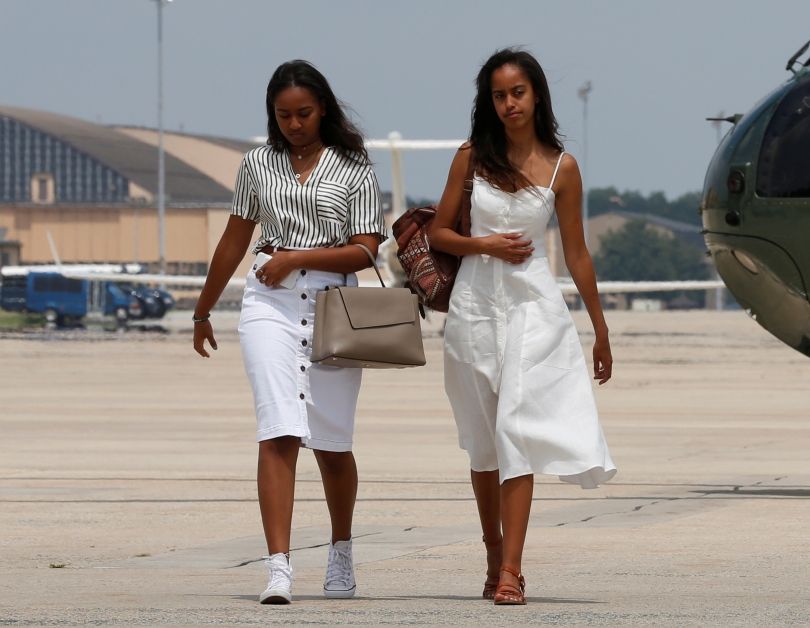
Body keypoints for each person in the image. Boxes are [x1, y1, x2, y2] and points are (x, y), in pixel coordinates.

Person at [192, 60, 386, 605]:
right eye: (283, 115)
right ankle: (277, 566)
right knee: (277, 431)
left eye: (303, 113)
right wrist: (203, 310)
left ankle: (341, 551)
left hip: (333, 306)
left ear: (323, 108)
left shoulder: (354, 166)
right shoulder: (257, 163)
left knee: (332, 441)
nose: (294, 124)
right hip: (268, 303)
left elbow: (367, 248)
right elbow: (234, 239)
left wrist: (299, 256)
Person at [429, 48, 617, 606]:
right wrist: (484, 245)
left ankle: (512, 570)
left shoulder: (563, 168)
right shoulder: (471, 157)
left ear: (536, 96)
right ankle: (492, 556)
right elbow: (439, 233)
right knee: (482, 443)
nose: (509, 103)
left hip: (534, 307)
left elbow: (577, 253)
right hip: (474, 306)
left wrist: (600, 328)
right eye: (499, 95)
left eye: (517, 92)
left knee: (515, 430)